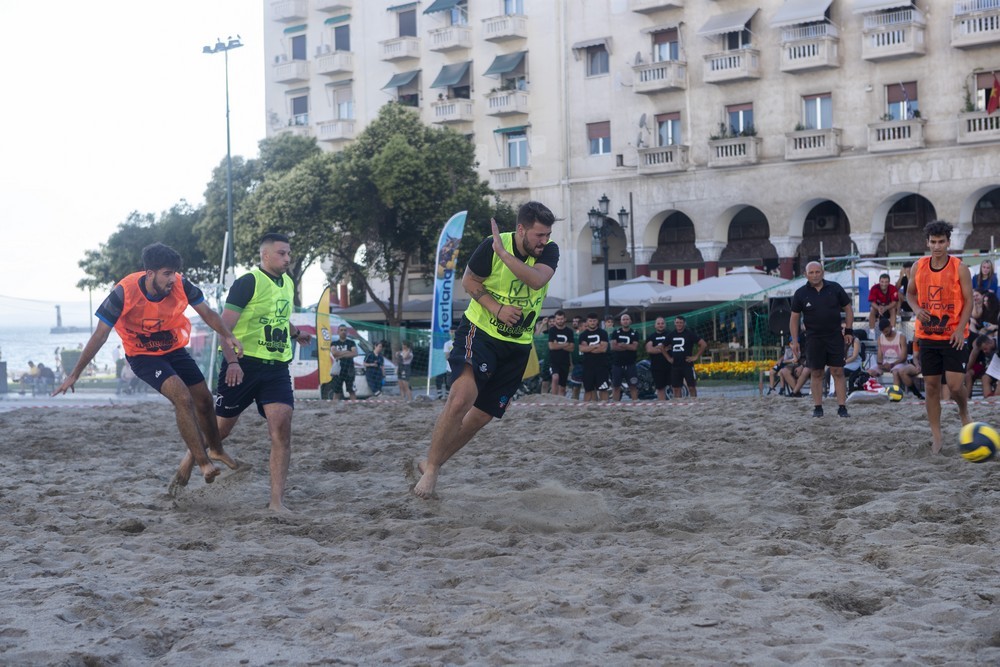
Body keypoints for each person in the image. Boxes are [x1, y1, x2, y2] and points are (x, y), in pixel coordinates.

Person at [53, 242, 243, 485]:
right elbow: (100, 335)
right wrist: (75, 373)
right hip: (142, 355)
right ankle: (204, 462)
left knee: (204, 399)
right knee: (182, 398)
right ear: (149, 273)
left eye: (174, 272)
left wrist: (228, 335)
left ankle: (216, 449)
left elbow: (207, 313)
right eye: (167, 274)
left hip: (173, 348)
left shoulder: (181, 284)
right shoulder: (124, 293)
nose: (172, 279)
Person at [413, 201, 559, 499]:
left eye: (547, 235)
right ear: (521, 229)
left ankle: (431, 461)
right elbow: (468, 281)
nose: (544, 241)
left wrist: (504, 255)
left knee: (480, 417)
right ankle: (432, 471)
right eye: (539, 236)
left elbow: (536, 280)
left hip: (517, 346)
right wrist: (496, 308)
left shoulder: (549, 251)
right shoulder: (489, 246)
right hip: (480, 332)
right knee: (460, 399)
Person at [173, 233, 312, 512]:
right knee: (220, 430)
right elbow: (224, 328)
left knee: (282, 428)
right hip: (242, 367)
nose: (288, 259)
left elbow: (279, 319)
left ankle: (276, 503)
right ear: (266, 256)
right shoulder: (247, 282)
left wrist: (296, 333)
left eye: (289, 254)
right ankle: (191, 458)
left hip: (276, 368)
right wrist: (233, 362)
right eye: (282, 253)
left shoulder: (287, 282)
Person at [906, 220, 973, 454]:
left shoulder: (959, 268)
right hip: (927, 336)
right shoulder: (918, 266)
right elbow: (909, 295)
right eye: (933, 242)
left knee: (955, 387)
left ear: (948, 242)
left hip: (954, 335)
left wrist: (959, 329)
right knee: (932, 386)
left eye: (941, 242)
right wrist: (916, 309)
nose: (937, 246)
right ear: (927, 243)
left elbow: (969, 301)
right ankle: (937, 436)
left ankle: (964, 412)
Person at [790, 261, 854, 418]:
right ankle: (818, 407)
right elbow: (794, 319)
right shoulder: (800, 293)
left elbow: (848, 308)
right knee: (816, 372)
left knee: (837, 371)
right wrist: (795, 341)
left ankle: (842, 407)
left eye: (817, 272)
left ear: (823, 272)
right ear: (805, 274)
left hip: (834, 336)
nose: (814, 275)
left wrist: (849, 330)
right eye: (811, 272)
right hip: (813, 338)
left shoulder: (835, 288)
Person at [665, 316, 706, 398]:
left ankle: (694, 403)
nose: (679, 324)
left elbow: (703, 344)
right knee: (676, 388)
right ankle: (678, 405)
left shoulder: (689, 333)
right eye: (677, 322)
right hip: (675, 365)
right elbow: (662, 347)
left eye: (681, 322)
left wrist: (696, 356)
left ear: (684, 323)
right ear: (674, 323)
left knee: (691, 387)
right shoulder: (671, 334)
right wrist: (668, 358)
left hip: (687, 365)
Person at [579, 312, 611, 402]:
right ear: (587, 322)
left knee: (603, 389)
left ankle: (605, 408)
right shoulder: (583, 335)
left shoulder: (603, 333)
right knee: (588, 389)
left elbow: (603, 349)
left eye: (594, 321)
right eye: (590, 321)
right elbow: (582, 349)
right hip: (588, 366)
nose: (592, 322)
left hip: (601, 366)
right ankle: (586, 409)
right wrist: (595, 346)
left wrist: (589, 348)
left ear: (597, 321)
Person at [610, 312, 640, 401]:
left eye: (627, 319)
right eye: (624, 319)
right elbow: (613, 347)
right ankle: (615, 406)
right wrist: (628, 346)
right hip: (617, 364)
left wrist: (623, 345)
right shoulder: (616, 332)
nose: (625, 321)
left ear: (630, 321)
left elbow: (634, 347)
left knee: (633, 386)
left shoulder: (635, 333)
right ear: (621, 321)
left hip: (630, 364)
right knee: (616, 387)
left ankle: (634, 404)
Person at [546, 310, 574, 396]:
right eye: (558, 319)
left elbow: (572, 348)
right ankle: (554, 397)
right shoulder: (552, 330)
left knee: (562, 386)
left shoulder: (569, 331)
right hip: (554, 360)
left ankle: (560, 402)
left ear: (565, 319)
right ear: (555, 319)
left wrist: (557, 344)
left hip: (565, 361)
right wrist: (565, 344)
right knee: (555, 377)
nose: (560, 321)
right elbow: (551, 346)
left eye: (561, 319)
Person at [644, 316, 672, 401]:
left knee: (675, 386)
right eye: (658, 323)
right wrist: (664, 349)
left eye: (662, 323)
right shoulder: (651, 336)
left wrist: (657, 348)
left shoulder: (670, 335)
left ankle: (676, 404)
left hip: (670, 365)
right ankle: (662, 404)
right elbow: (649, 349)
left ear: (665, 324)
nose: (660, 325)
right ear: (655, 325)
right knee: (660, 388)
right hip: (657, 366)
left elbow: (671, 346)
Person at [329, 324, 358, 401]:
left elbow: (355, 353)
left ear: (347, 332)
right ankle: (334, 409)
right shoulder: (334, 343)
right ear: (338, 332)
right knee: (336, 391)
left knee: (351, 391)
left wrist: (340, 354)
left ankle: (354, 408)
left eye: (345, 330)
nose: (343, 332)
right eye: (341, 330)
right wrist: (347, 352)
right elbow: (334, 353)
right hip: (338, 370)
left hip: (349, 370)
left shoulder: (351, 342)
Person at [965, 334, 997, 398]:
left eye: (985, 349)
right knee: (985, 378)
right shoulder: (981, 346)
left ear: (989, 343)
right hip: (992, 369)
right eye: (983, 350)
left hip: (996, 368)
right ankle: (988, 399)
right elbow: (972, 357)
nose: (984, 351)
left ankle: (996, 396)